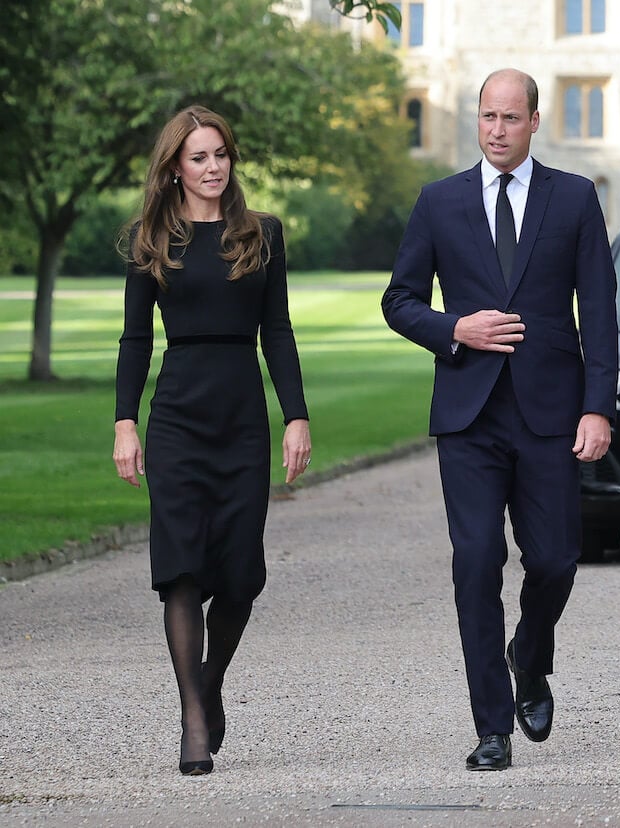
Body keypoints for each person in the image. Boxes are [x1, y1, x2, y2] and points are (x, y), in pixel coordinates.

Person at [381, 68, 618, 771]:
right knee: (476, 560)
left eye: (511, 118)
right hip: (468, 416)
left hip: (551, 412)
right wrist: (457, 328)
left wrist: (597, 407)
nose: (497, 129)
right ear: (475, 120)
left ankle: (530, 653)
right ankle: (491, 726)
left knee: (553, 560)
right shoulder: (438, 202)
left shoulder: (573, 198)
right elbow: (399, 301)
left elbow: (599, 312)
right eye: (487, 116)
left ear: (534, 122)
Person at [113, 106, 312, 776]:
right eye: (198, 157)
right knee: (181, 567)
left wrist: (296, 415)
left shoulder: (262, 234)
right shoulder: (151, 239)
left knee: (239, 576)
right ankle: (192, 719)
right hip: (176, 416)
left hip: (240, 416)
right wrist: (124, 424)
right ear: (175, 167)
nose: (212, 167)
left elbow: (277, 330)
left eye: (220, 154)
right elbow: (135, 338)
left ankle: (211, 681)